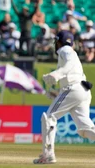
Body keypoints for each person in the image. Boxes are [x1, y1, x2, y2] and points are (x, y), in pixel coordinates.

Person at [33, 31, 95, 164]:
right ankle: (48, 154)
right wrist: (57, 92)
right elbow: (72, 73)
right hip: (82, 90)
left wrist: (56, 74)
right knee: (85, 128)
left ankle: (48, 155)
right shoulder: (69, 51)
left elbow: (69, 65)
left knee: (49, 117)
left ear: (59, 41)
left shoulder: (65, 50)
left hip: (73, 89)